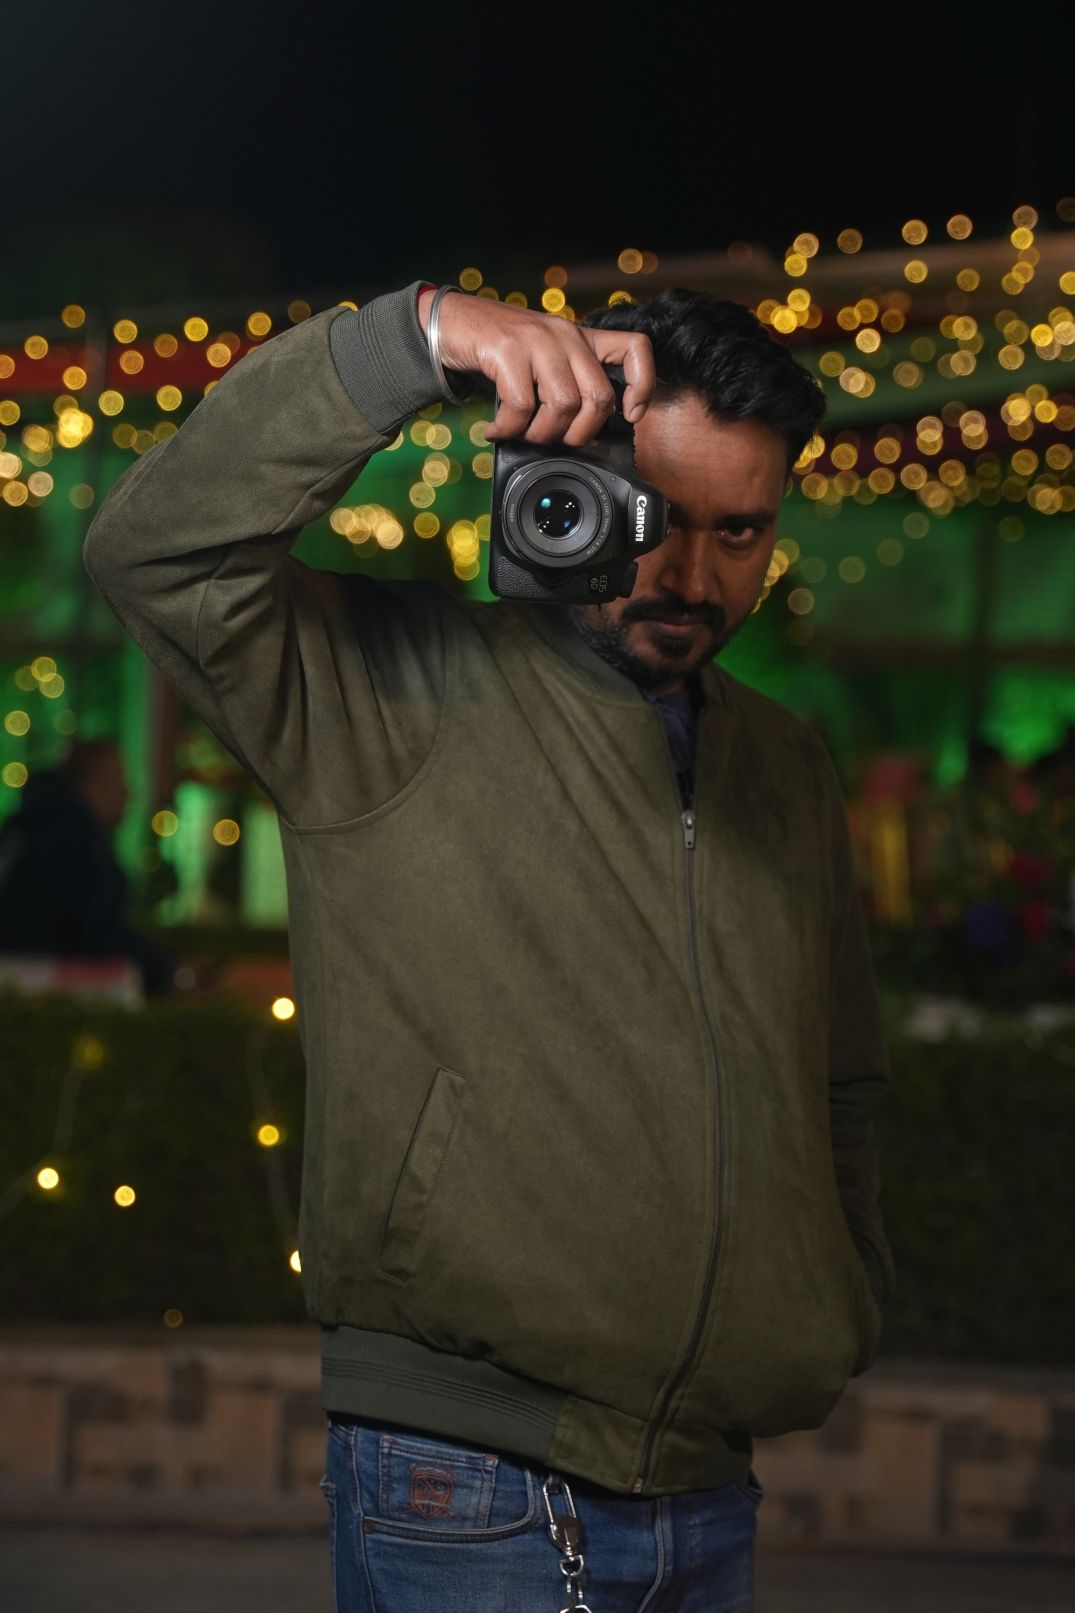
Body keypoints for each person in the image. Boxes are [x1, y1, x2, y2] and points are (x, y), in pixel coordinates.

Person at [84, 278, 894, 1611]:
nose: (691, 578)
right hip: (466, 1484)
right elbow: (153, 551)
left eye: (739, 532)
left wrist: (835, 1293)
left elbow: (837, 1082)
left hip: (707, 1485)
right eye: (655, 518)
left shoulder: (785, 762)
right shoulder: (386, 692)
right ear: (566, 487)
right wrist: (415, 340)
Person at [0, 737, 176, 997]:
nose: (128, 794)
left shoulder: (26, 827)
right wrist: (164, 971)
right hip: (44, 994)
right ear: (95, 783)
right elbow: (100, 933)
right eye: (120, 781)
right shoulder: (74, 840)